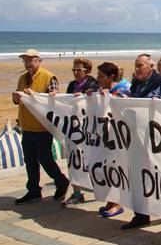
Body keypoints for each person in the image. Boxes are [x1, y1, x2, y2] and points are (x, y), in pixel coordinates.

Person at [122, 53, 161, 230]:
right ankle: (140, 214)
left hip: (157, 141)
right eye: (136, 65)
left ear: (151, 67)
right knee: (137, 176)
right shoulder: (137, 83)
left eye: (140, 65)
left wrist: (160, 103)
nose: (137, 69)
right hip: (137, 137)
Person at [12, 49, 70, 205]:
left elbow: (52, 101)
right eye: (25, 60)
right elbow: (18, 99)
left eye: (30, 60)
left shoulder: (48, 77)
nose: (28, 63)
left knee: (45, 159)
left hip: (42, 127)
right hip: (26, 126)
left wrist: (34, 96)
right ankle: (33, 190)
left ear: (39, 60)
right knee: (29, 160)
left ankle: (61, 181)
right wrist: (17, 98)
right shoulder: (22, 78)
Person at [60, 57, 99, 206]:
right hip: (73, 129)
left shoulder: (93, 84)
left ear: (87, 71)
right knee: (73, 161)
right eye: (73, 70)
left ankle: (98, 188)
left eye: (79, 70)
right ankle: (77, 193)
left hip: (88, 131)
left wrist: (87, 95)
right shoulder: (71, 85)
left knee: (90, 161)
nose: (75, 73)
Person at [93, 62, 130, 218]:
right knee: (106, 168)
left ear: (111, 77)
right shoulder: (102, 89)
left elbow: (124, 107)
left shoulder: (125, 88)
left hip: (121, 138)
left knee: (117, 169)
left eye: (101, 76)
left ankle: (118, 202)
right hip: (107, 137)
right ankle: (111, 200)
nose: (98, 79)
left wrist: (108, 97)